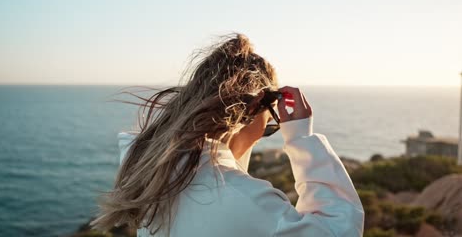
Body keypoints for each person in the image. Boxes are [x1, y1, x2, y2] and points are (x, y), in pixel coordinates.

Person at [90, 33, 365, 236]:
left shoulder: (156, 176)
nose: (261, 136)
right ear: (255, 107)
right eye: (271, 125)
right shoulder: (243, 200)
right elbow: (340, 228)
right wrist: (301, 138)